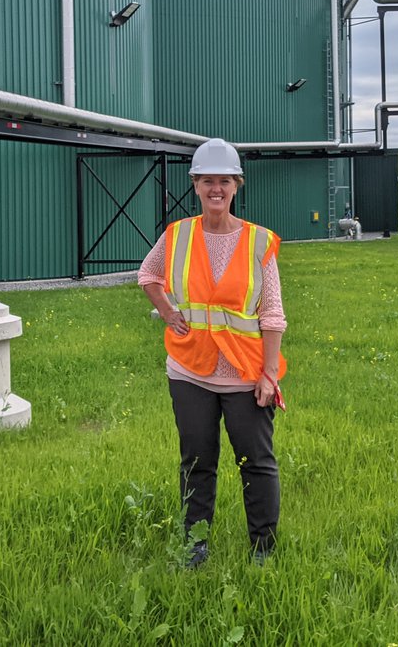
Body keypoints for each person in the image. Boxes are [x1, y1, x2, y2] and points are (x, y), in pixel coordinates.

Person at [138, 138, 287, 568]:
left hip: (244, 373)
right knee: (197, 462)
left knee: (256, 463)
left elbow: (272, 314)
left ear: (237, 185)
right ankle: (195, 546)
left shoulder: (259, 241)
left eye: (224, 180)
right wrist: (167, 312)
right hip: (190, 370)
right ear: (195, 185)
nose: (215, 188)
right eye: (207, 181)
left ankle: (263, 549)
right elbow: (147, 274)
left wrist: (269, 373)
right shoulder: (177, 235)